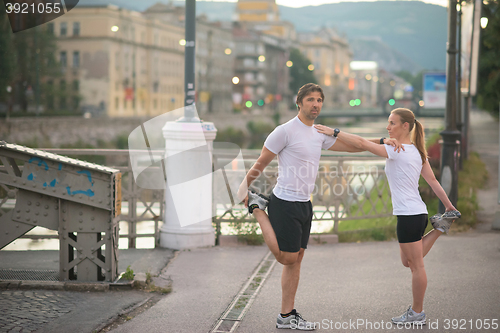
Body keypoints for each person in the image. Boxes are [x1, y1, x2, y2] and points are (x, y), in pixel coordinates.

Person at [237, 83, 401, 330]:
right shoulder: (284, 131)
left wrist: (380, 140)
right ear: (299, 102)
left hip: (305, 203)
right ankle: (259, 209)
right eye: (311, 99)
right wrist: (243, 187)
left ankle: (287, 315)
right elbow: (261, 161)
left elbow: (354, 144)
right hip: (284, 202)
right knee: (287, 257)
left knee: (297, 259)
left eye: (319, 100)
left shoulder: (319, 133)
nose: (316, 104)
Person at [315, 108, 460, 325]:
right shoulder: (415, 152)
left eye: (392, 123)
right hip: (416, 212)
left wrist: (334, 132)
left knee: (416, 265)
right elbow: (433, 181)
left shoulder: (397, 150)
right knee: (407, 261)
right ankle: (440, 227)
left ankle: (417, 313)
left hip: (410, 215)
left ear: (405, 126)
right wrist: (448, 206)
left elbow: (362, 144)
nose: (387, 127)